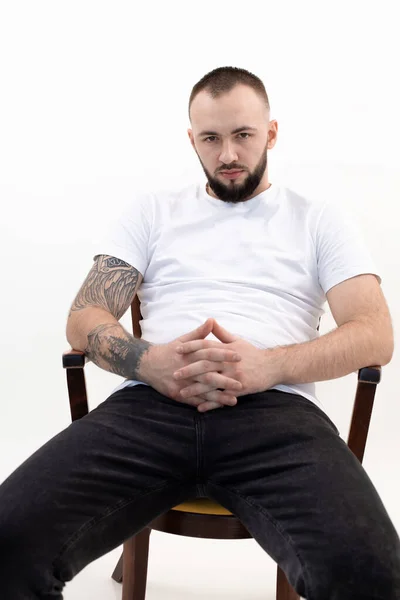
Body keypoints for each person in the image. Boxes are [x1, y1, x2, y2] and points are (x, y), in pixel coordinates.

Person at [0, 66, 399, 599]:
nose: (228, 154)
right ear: (193, 140)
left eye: (243, 135)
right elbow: (84, 315)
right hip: (149, 406)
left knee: (371, 571)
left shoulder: (319, 219)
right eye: (211, 138)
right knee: (6, 542)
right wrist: (149, 363)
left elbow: (374, 333)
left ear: (271, 134)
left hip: (275, 414)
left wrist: (269, 366)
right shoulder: (153, 212)